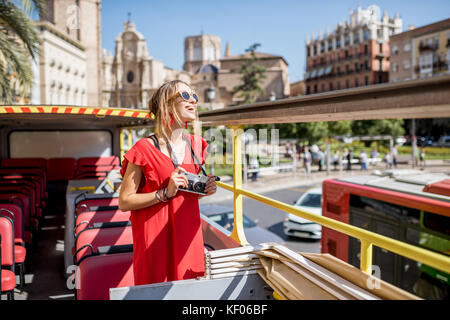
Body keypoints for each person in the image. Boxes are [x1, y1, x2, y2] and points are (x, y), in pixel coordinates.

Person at [119, 80, 217, 286]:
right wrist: (164, 193)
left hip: (188, 238)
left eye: (194, 96)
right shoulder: (143, 148)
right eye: (186, 96)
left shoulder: (197, 145)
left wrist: (205, 189)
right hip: (154, 242)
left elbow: (186, 191)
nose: (193, 102)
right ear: (166, 105)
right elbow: (124, 202)